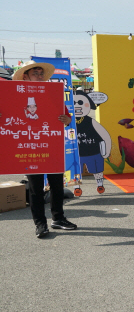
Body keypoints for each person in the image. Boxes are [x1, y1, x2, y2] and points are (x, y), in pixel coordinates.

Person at [10, 61, 77, 238]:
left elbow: (67, 117)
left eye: (41, 73)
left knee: (56, 184)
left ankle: (58, 218)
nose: (39, 76)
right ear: (25, 76)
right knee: (35, 188)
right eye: (35, 73)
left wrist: (66, 119)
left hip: (50, 146)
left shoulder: (52, 93)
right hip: (28, 147)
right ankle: (40, 224)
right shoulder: (14, 95)